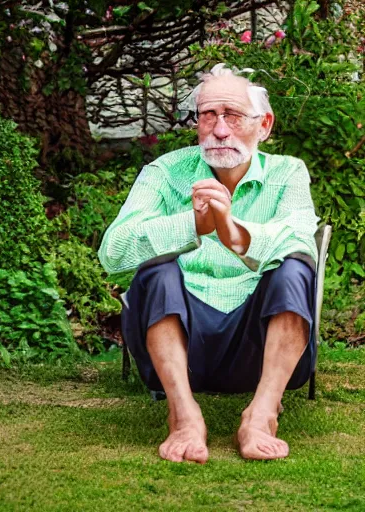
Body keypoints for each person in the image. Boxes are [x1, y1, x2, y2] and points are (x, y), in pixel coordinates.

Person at [98, 63, 319, 463]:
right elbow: (113, 253)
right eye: (208, 116)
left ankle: (262, 415)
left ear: (264, 125)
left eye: (233, 116)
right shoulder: (166, 173)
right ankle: (183, 416)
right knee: (158, 270)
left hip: (257, 346)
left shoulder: (288, 173)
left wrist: (235, 234)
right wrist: (192, 224)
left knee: (295, 266)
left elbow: (302, 240)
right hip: (178, 346)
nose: (219, 130)